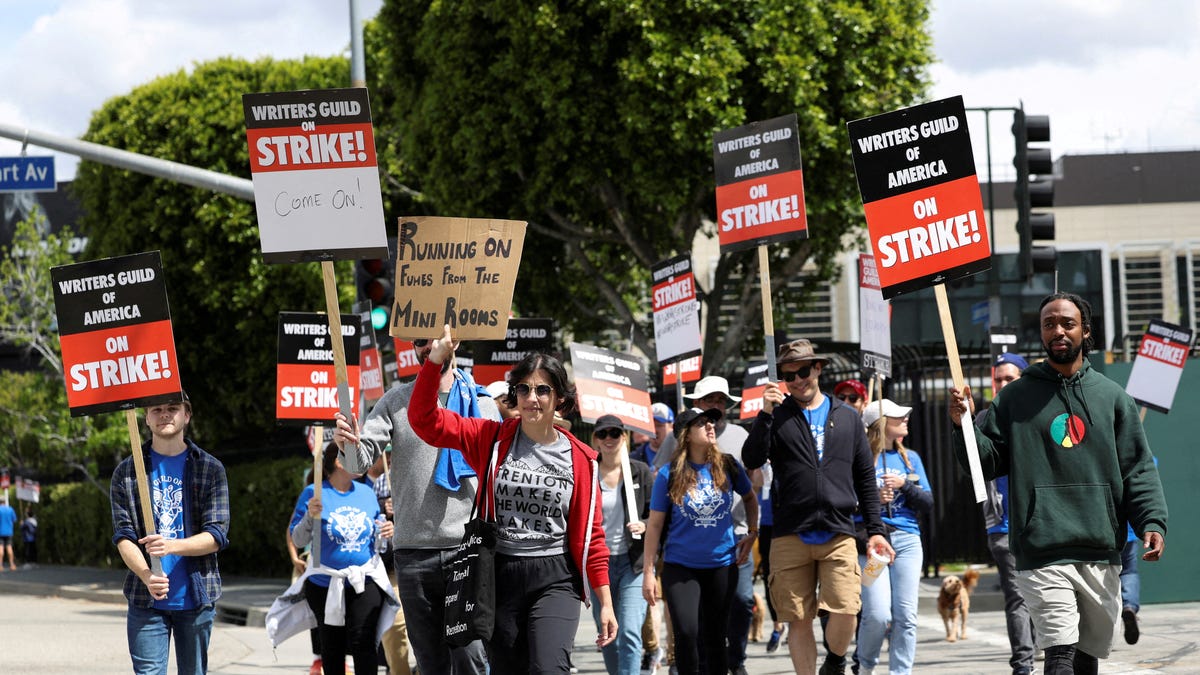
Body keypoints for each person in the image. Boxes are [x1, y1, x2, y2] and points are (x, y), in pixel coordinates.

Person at [948, 292, 1167, 675]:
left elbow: (1137, 468)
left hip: (1099, 548)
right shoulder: (1014, 398)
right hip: (1041, 548)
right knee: (1060, 652)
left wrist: (1152, 521)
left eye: (1067, 322)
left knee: (1086, 658)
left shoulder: (1113, 398)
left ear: (1085, 330)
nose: (1058, 330)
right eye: (1049, 323)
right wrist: (962, 425)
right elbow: (984, 464)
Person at [407, 324, 617, 673]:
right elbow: (423, 420)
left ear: (560, 398)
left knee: (549, 668)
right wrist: (436, 360)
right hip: (499, 573)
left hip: (556, 576)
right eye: (523, 389)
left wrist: (605, 602)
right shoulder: (491, 440)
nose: (532, 398)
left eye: (542, 390)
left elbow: (593, 540)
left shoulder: (582, 460)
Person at [335, 336, 498, 675]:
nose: (429, 347)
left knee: (470, 658)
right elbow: (357, 464)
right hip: (413, 555)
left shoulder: (482, 403)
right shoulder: (396, 400)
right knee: (430, 663)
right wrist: (347, 443)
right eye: (422, 341)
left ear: (453, 342)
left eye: (437, 339)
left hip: (466, 550)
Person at [743, 338, 894, 675]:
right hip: (789, 533)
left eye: (804, 371)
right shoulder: (777, 416)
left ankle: (837, 660)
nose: (797, 380)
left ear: (818, 368)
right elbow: (751, 458)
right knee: (797, 619)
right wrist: (765, 414)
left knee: (845, 609)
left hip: (839, 531)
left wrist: (876, 531)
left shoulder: (848, 418)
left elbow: (865, 478)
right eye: (789, 375)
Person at [109, 392, 230, 675]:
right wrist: (146, 575)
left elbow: (216, 535)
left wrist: (171, 545)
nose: (165, 414)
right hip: (146, 599)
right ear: (146, 418)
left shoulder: (210, 468)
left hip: (196, 597)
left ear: (186, 415)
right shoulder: (126, 472)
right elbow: (123, 536)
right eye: (156, 409)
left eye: (173, 408)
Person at [642, 407, 759, 675]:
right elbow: (655, 525)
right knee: (687, 632)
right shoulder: (668, 474)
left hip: (722, 564)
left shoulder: (729, 464)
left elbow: (750, 498)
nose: (710, 426)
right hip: (680, 566)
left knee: (716, 636)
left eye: (711, 421)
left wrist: (752, 532)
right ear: (685, 434)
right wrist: (649, 572)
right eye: (702, 423)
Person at [289, 443, 396, 675]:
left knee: (364, 642)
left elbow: (378, 536)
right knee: (332, 646)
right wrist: (309, 516)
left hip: (364, 581)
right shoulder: (314, 492)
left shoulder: (367, 493)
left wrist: (386, 529)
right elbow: (297, 539)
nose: (363, 460)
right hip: (324, 585)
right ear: (339, 462)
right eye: (356, 456)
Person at [854, 399, 932, 675]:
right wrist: (873, 499)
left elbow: (928, 502)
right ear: (882, 424)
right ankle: (865, 666)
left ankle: (900, 672)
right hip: (874, 545)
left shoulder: (911, 458)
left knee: (906, 616)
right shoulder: (861, 458)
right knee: (877, 614)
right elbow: (847, 504)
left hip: (908, 541)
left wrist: (904, 487)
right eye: (899, 416)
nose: (906, 419)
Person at [977, 351, 1036, 675]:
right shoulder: (985, 419)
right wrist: (963, 424)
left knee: (1043, 594)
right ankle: (1023, 665)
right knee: (1017, 598)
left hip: (1040, 523)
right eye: (998, 379)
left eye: (1008, 378)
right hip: (1002, 524)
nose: (1001, 384)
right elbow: (973, 464)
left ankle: (1042, 648)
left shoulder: (1038, 414)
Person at [590, 414, 654, 675]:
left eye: (614, 433)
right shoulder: (588, 470)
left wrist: (645, 525)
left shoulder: (639, 471)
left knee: (628, 631)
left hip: (632, 562)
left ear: (624, 437)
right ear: (595, 439)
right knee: (606, 633)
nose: (608, 439)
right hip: (599, 564)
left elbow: (657, 515)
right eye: (603, 434)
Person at [631, 403, 674, 467]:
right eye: (651, 425)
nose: (654, 430)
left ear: (672, 427)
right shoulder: (633, 459)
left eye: (659, 426)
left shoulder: (681, 456)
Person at [0, 495, 16, 571]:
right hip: (9, 531)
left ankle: (0, 565)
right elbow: (14, 520)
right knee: (9, 547)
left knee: (1, 548)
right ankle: (12, 565)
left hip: (0, 531)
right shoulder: (10, 509)